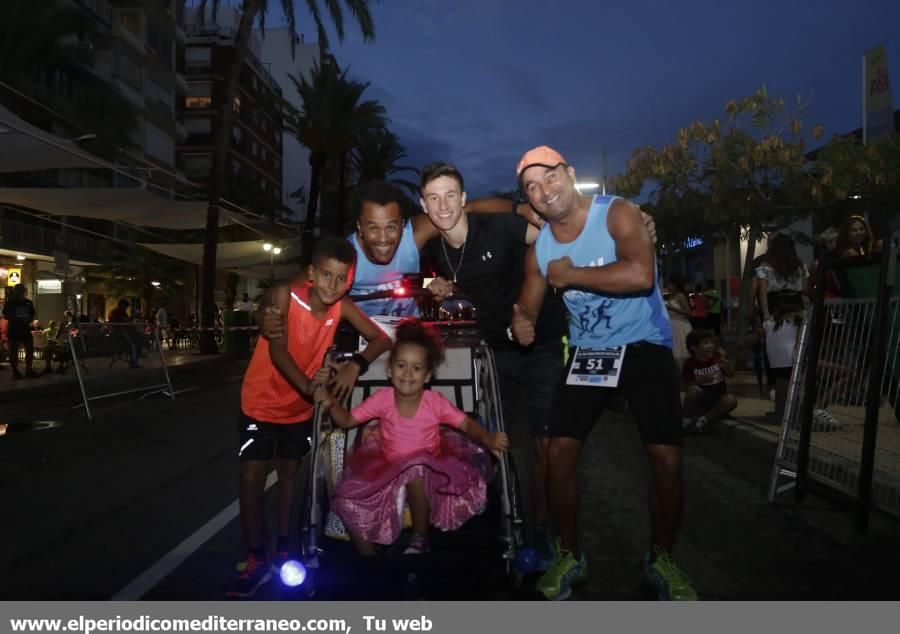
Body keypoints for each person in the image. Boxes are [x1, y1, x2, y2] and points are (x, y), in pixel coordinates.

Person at [511, 146, 695, 601]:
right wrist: (521, 322)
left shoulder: (618, 213)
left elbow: (640, 274)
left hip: (645, 345)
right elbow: (527, 306)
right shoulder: (542, 250)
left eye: (550, 177)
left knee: (667, 460)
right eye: (532, 187)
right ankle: (570, 554)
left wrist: (571, 275)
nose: (543, 191)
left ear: (571, 174)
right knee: (558, 454)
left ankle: (662, 559)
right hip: (592, 353)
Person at [417, 161, 568, 565]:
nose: (443, 205)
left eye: (451, 195)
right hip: (493, 351)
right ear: (424, 204)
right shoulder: (434, 247)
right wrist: (437, 287)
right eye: (434, 198)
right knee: (493, 442)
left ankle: (542, 533)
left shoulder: (498, 229)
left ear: (464, 199)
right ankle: (504, 523)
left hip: (542, 341)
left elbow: (553, 238)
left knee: (545, 444)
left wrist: (532, 306)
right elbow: (425, 280)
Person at [229, 236, 392, 598]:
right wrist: (310, 388)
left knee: (291, 477)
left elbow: (381, 339)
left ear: (349, 280)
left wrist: (354, 366)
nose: (334, 285)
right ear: (312, 273)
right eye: (327, 276)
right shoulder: (285, 296)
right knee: (252, 479)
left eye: (341, 278)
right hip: (260, 402)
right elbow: (279, 352)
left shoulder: (342, 306)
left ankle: (286, 550)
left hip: (299, 410)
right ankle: (255, 556)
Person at [313, 320, 508, 556]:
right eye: (401, 366)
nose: (407, 374)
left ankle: (420, 538)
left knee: (416, 467)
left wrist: (487, 439)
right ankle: (371, 561)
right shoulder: (382, 399)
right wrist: (331, 402)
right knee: (346, 500)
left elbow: (465, 423)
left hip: (430, 471)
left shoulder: (434, 403)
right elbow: (345, 422)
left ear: (427, 376)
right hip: (389, 468)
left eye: (416, 368)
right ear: (389, 370)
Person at [756, 234, 809, 422]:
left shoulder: (766, 266)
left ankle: (781, 411)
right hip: (797, 311)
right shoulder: (800, 265)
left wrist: (765, 316)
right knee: (795, 358)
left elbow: (762, 293)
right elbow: (804, 290)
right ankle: (789, 410)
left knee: (779, 363)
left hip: (777, 312)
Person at [681, 329, 737, 433]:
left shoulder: (718, 358)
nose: (711, 345)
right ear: (694, 348)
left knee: (731, 399)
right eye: (706, 343)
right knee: (693, 390)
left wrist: (728, 367)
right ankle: (686, 421)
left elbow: (731, 374)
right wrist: (701, 380)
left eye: (711, 342)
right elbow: (685, 386)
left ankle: (703, 420)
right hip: (700, 400)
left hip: (719, 398)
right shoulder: (689, 364)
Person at [2, 284, 38, 379]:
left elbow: (32, 314)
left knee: (29, 350)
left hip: (25, 329)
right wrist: (17, 319)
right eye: (17, 290)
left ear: (23, 291)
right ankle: (15, 372)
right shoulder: (10, 303)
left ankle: (28, 370)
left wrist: (28, 320)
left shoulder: (28, 303)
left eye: (20, 290)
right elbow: (5, 315)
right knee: (13, 352)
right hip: (14, 330)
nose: (19, 292)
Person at [664, 274, 693, 374]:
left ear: (675, 284)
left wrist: (672, 309)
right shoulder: (669, 296)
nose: (667, 285)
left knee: (680, 354)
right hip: (671, 325)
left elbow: (689, 312)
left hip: (680, 325)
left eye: (669, 283)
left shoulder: (680, 296)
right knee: (674, 355)